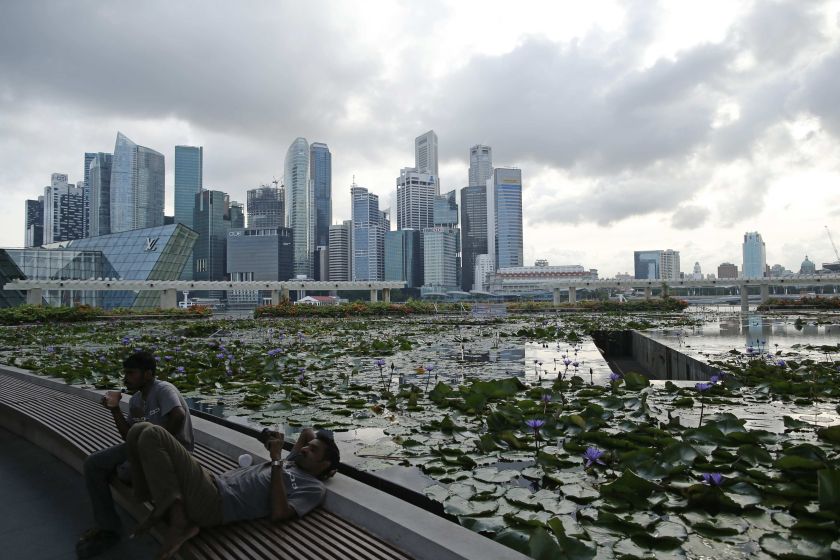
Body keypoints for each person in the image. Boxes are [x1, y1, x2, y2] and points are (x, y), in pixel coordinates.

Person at [126, 423, 339, 560]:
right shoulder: (296, 461)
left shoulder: (312, 487)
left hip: (216, 502)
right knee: (138, 430)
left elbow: (280, 513)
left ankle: (179, 521)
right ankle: (154, 500)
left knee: (153, 433)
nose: (304, 449)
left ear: (324, 464)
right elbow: (307, 432)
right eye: (307, 446)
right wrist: (317, 443)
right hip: (212, 483)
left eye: (313, 450)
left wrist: (276, 460)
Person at [77, 351, 194, 560]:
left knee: (125, 474)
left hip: (174, 452)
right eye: (126, 373)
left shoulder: (163, 389)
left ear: (148, 374)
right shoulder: (136, 400)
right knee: (93, 464)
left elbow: (178, 415)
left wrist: (156, 444)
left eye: (131, 373)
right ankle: (108, 526)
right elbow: (128, 437)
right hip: (141, 446)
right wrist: (114, 410)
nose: (126, 378)